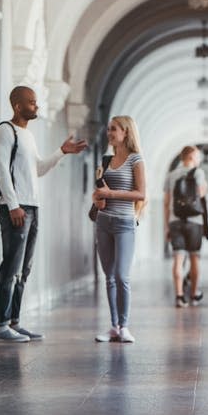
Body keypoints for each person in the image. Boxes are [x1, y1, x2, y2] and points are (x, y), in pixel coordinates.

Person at [0, 86, 87, 343]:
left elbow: (39, 169)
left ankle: (14, 321)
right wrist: (12, 205)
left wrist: (61, 152)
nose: (37, 106)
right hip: (16, 207)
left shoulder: (28, 136)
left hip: (32, 207)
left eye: (36, 102)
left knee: (25, 268)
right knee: (10, 266)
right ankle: (1, 325)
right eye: (32, 102)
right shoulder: (5, 131)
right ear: (17, 105)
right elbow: (0, 170)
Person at [92, 116, 146, 344]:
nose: (109, 133)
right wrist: (98, 198)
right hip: (103, 222)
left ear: (126, 132)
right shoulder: (105, 160)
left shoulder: (136, 160)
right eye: (108, 129)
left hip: (125, 222)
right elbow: (98, 192)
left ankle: (124, 326)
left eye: (114, 129)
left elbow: (141, 194)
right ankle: (113, 326)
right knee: (109, 278)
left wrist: (111, 194)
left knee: (121, 276)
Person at [164, 146, 208, 308]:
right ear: (190, 157)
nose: (199, 159)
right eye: (197, 156)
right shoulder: (198, 173)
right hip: (194, 221)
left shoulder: (171, 175)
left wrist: (166, 226)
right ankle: (194, 294)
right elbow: (201, 193)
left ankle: (179, 296)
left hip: (175, 220)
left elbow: (166, 202)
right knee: (194, 258)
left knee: (178, 259)